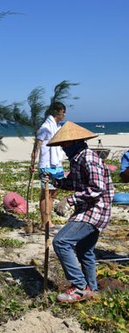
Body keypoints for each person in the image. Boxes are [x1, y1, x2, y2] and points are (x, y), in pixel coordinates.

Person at [45, 121, 114, 303]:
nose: (62, 147)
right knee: (85, 250)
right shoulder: (77, 159)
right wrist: (56, 181)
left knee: (61, 242)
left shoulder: (88, 158)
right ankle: (92, 288)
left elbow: (98, 188)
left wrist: (69, 200)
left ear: (75, 141)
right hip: (87, 209)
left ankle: (79, 286)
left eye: (64, 143)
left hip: (95, 210)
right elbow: (75, 184)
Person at [30, 101, 67, 230]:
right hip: (47, 164)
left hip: (56, 162)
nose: (64, 114)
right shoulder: (46, 126)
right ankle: (44, 221)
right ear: (59, 111)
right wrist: (32, 163)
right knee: (46, 193)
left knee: (53, 192)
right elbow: (37, 145)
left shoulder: (57, 126)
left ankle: (49, 220)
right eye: (63, 112)